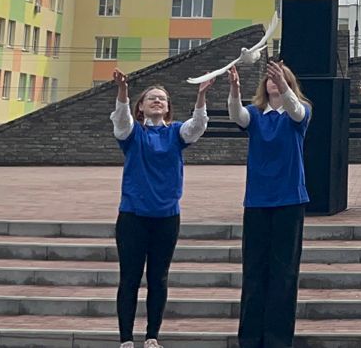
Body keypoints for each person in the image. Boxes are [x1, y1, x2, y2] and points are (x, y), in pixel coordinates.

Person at [111, 70, 210, 348]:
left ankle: (152, 336)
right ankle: (126, 339)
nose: (157, 101)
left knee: (159, 278)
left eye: (162, 99)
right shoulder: (132, 134)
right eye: (151, 98)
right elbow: (121, 119)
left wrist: (201, 95)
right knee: (129, 278)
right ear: (140, 107)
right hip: (132, 216)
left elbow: (198, 126)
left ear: (168, 107)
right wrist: (122, 92)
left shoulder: (176, 133)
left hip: (166, 217)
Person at [228, 61, 312, 348]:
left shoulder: (297, 113)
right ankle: (250, 338)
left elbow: (297, 110)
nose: (273, 82)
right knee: (254, 270)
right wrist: (235, 89)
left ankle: (277, 339)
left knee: (284, 271)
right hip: (257, 201)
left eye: (279, 78)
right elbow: (237, 116)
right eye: (270, 78)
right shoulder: (255, 114)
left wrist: (286, 85)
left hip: (289, 200)